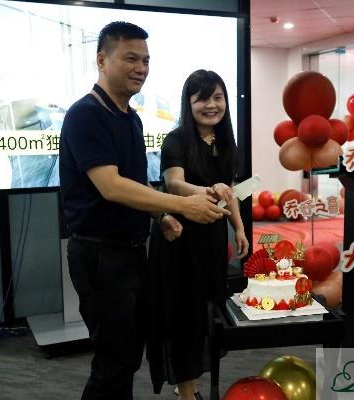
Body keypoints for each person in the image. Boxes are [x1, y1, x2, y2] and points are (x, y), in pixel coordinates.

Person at [59, 22, 229, 400]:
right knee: (114, 362)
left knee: (128, 356)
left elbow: (136, 184)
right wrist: (180, 204)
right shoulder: (86, 115)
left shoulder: (131, 118)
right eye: (131, 58)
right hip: (99, 255)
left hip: (132, 253)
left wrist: (159, 216)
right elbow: (111, 185)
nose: (141, 68)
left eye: (146, 61)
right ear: (102, 60)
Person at [147, 70, 249, 400]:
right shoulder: (176, 140)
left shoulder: (226, 142)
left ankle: (188, 383)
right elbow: (174, 184)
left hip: (211, 239)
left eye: (218, 97)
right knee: (183, 314)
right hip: (179, 238)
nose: (211, 105)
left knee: (206, 312)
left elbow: (230, 190)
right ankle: (187, 392)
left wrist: (238, 227)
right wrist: (208, 190)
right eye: (202, 99)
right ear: (188, 103)